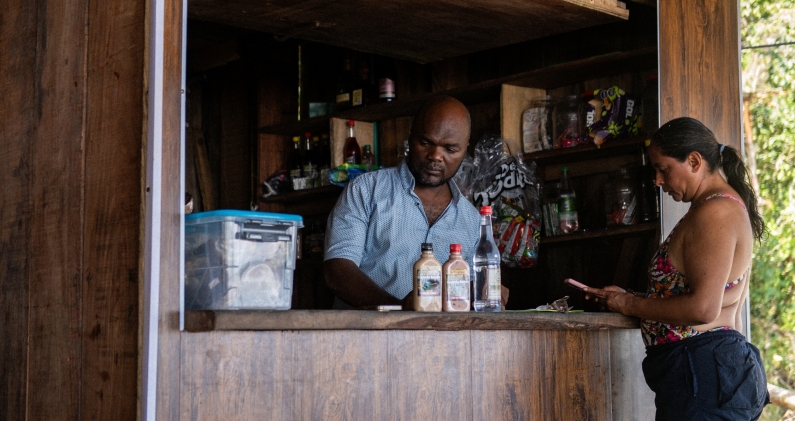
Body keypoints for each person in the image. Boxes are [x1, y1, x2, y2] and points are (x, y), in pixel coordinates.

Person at [585, 117, 769, 420]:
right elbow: (700, 295)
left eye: (664, 168)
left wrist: (630, 304)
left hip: (703, 374)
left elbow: (703, 309)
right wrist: (627, 296)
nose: (657, 180)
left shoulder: (715, 213)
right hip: (709, 371)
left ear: (694, 161)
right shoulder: (718, 206)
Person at [323, 96, 483, 309]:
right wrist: (397, 310)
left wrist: (483, 291)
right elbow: (337, 269)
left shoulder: (471, 219)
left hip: (440, 340)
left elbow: (464, 291)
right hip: (366, 337)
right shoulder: (366, 190)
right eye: (425, 143)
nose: (436, 156)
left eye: (450, 149)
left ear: (465, 149)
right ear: (410, 137)